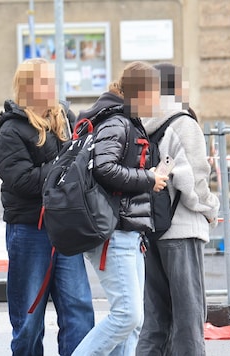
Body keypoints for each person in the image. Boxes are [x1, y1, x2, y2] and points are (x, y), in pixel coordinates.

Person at [0, 58, 94, 356]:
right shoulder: (9, 131)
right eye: (43, 81)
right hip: (30, 230)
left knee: (79, 312)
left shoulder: (67, 117)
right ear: (26, 87)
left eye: (52, 79)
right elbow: (21, 181)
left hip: (66, 228)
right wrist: (62, 168)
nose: (51, 86)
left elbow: (83, 165)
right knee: (28, 319)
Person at [71, 61, 169, 356]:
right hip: (115, 234)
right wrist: (149, 179)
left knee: (132, 323)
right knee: (127, 316)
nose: (158, 101)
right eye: (155, 93)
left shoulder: (125, 120)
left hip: (128, 233)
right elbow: (104, 168)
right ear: (140, 92)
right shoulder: (117, 122)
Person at [136, 63, 220, 355]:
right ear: (176, 87)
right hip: (181, 229)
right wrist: (210, 209)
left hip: (150, 227)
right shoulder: (182, 123)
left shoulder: (142, 122)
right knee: (189, 315)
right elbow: (194, 180)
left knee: (156, 315)